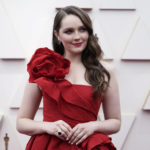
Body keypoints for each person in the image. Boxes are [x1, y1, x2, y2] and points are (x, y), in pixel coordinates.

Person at [16, 5, 121, 150]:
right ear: (57, 35)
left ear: (89, 32)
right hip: (48, 146)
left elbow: (115, 122)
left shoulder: (105, 71)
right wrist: (48, 127)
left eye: (82, 29)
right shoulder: (43, 67)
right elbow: (22, 122)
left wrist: (93, 126)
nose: (77, 36)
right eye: (69, 31)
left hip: (89, 145)